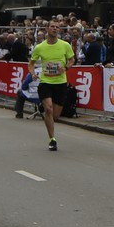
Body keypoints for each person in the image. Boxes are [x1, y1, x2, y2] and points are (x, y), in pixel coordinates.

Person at [30, 23, 75, 151]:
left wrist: (65, 67)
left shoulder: (65, 45)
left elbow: (72, 60)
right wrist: (33, 73)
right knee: (49, 110)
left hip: (60, 83)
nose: (55, 28)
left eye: (57, 27)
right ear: (47, 29)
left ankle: (44, 109)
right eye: (52, 26)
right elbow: (31, 64)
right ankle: (52, 139)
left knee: (55, 116)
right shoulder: (40, 47)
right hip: (45, 82)